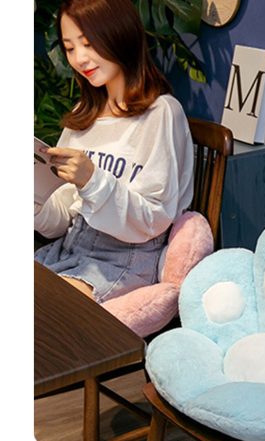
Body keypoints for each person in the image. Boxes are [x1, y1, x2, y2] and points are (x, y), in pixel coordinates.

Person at [34, 0, 194, 303]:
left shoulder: (162, 113)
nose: (79, 58)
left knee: (43, 312)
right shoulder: (83, 115)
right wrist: (35, 201)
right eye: (69, 48)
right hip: (69, 249)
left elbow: (154, 218)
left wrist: (92, 180)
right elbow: (63, 221)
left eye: (88, 43)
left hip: (126, 259)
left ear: (119, 34)